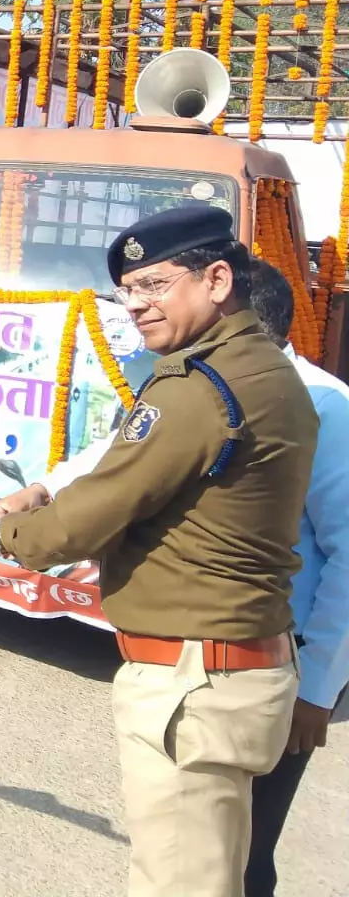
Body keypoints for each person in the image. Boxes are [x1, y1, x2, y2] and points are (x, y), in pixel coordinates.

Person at [0, 205, 317, 897]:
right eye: (127, 292)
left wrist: (1, 534)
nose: (137, 306)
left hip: (194, 682)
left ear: (215, 279)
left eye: (154, 285)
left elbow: (80, 523)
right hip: (233, 668)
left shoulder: (199, 389)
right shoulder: (263, 369)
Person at [242, 260, 349, 897]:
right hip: (212, 662)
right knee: (202, 844)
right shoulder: (208, 387)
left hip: (283, 670)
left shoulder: (324, 407)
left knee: (249, 854)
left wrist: (317, 691)